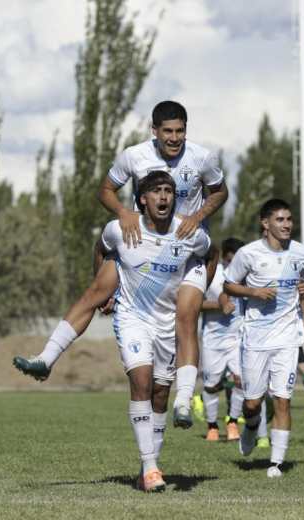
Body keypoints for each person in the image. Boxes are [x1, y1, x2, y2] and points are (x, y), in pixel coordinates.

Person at [15, 101, 228, 430]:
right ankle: (46, 359)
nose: (174, 138)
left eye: (180, 131)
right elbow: (105, 190)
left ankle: (184, 401)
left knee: (186, 318)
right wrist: (123, 212)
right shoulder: (133, 156)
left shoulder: (202, 157)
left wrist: (198, 217)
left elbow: (220, 192)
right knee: (95, 293)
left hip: (186, 252)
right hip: (140, 242)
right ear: (154, 131)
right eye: (168, 131)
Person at [224, 198, 304, 478]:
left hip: (287, 337)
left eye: (289, 219)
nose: (287, 224)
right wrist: (253, 292)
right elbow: (229, 285)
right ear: (265, 223)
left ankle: (276, 463)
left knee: (282, 399)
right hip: (255, 338)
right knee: (252, 403)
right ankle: (252, 426)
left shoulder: (302, 253)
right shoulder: (248, 254)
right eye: (280, 220)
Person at [199, 238, 245, 442]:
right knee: (212, 385)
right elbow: (196, 304)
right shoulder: (212, 274)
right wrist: (219, 306)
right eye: (230, 260)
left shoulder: (248, 274)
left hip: (238, 337)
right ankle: (212, 426)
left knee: (241, 380)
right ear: (224, 258)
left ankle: (233, 422)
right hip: (213, 339)